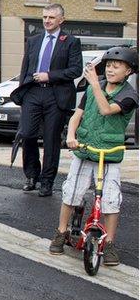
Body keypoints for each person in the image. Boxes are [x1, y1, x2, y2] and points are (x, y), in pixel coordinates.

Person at [49, 47, 137, 266]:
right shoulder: (90, 90)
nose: (110, 69)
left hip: (109, 153)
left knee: (110, 199)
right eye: (108, 65)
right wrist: (70, 136)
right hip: (85, 148)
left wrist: (95, 84)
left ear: (128, 71)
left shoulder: (130, 96)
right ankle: (61, 233)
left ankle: (109, 245)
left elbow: (107, 109)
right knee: (71, 192)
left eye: (116, 66)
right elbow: (77, 116)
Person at [11, 4, 83, 197]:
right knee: (27, 134)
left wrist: (49, 76)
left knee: (51, 140)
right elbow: (26, 67)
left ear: (61, 20)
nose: (47, 21)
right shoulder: (33, 40)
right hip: (33, 93)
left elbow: (75, 70)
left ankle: (47, 181)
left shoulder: (70, 41)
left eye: (51, 17)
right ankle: (32, 175)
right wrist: (23, 90)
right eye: (44, 17)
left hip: (55, 94)